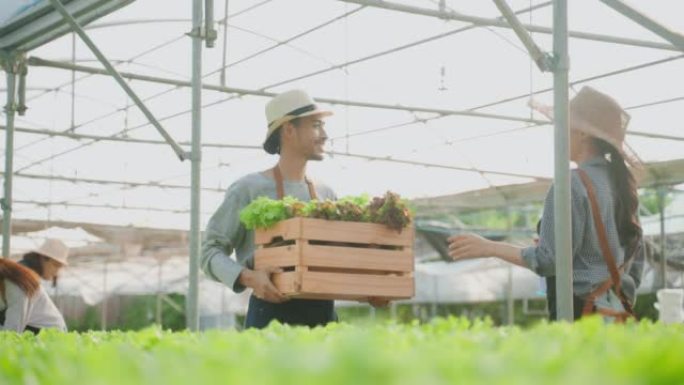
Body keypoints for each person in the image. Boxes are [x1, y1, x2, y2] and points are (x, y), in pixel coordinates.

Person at [448, 86, 644, 321]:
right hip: (614, 313)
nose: (557, 132)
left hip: (580, 315)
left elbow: (548, 261)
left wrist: (488, 247)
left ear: (583, 133)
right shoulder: (620, 185)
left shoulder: (571, 184)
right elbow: (635, 256)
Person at [202, 89, 385, 329]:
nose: (325, 135)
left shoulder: (326, 194)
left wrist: (368, 288)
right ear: (288, 130)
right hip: (269, 316)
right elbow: (209, 252)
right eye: (316, 126)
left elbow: (336, 260)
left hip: (323, 317)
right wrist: (249, 277)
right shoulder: (249, 189)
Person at [0, 257, 67, 333]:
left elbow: (12, 330)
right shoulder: (5, 284)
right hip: (28, 327)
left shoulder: (17, 287)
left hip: (48, 331)